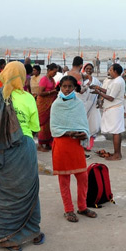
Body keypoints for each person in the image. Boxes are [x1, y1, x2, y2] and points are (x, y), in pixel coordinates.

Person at [0, 61, 44, 251]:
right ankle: (32, 231)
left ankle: (5, 237)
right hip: (24, 151)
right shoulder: (29, 99)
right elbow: (35, 128)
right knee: (27, 191)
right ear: (23, 77)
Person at [50, 75, 96, 223]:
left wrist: (84, 134)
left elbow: (84, 124)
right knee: (64, 180)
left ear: (74, 88)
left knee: (83, 177)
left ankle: (82, 207)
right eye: (65, 86)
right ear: (60, 87)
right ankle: (68, 210)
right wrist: (69, 132)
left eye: (70, 86)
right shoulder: (56, 105)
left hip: (76, 146)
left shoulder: (79, 104)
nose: (67, 89)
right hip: (62, 144)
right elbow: (54, 128)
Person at [96, 63, 126, 159]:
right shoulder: (116, 81)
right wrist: (98, 88)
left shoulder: (118, 82)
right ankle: (116, 153)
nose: (109, 72)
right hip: (113, 109)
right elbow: (109, 92)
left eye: (110, 70)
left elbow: (110, 97)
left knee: (116, 131)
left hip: (115, 109)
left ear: (115, 71)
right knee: (116, 131)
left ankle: (117, 154)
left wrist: (98, 92)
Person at [35, 63, 60, 151]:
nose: (55, 74)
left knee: (49, 125)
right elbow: (40, 93)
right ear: (49, 71)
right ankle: (40, 145)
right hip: (43, 104)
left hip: (50, 104)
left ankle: (47, 143)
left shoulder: (52, 79)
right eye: (54, 72)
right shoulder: (44, 79)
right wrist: (51, 92)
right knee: (42, 124)